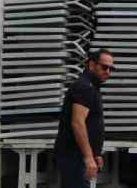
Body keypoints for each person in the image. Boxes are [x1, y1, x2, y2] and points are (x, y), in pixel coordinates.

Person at [54, 49, 114, 188]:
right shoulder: (84, 87)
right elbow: (78, 123)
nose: (108, 72)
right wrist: (88, 157)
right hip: (74, 155)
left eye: (111, 68)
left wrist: (95, 153)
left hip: (77, 155)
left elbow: (90, 123)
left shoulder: (91, 87)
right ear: (92, 65)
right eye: (104, 67)